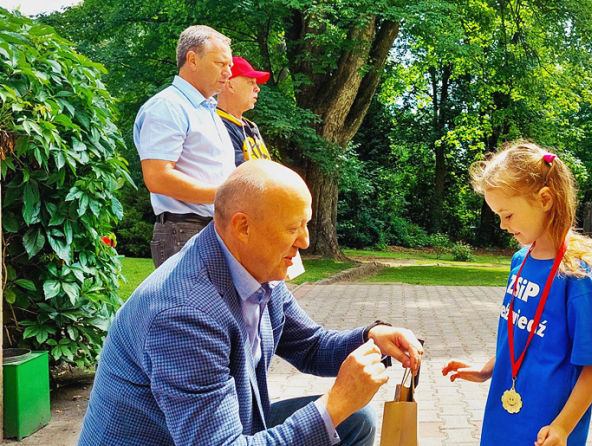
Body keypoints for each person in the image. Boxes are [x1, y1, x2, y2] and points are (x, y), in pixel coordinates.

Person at [79, 159, 424, 446]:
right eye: (293, 228)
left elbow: (309, 346)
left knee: (354, 421)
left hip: (215, 430)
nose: (304, 241)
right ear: (242, 227)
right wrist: (336, 402)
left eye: (306, 225)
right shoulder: (183, 313)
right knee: (339, 415)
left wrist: (373, 338)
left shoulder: (253, 267)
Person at [441, 142, 592, 446]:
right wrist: (487, 369)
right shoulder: (520, 261)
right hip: (502, 417)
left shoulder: (578, 277)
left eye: (507, 215)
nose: (503, 225)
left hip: (547, 427)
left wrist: (562, 427)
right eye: (498, 216)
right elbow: (523, 333)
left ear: (545, 199)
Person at [134, 25, 236, 268]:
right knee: (189, 308)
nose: (228, 72)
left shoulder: (207, 109)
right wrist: (229, 196)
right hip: (185, 231)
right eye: (221, 63)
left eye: (229, 65)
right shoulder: (167, 107)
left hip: (211, 228)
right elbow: (158, 177)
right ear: (192, 59)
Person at [216, 57, 273, 166]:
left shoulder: (251, 126)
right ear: (230, 86)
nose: (257, 88)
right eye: (251, 82)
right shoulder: (217, 124)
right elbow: (239, 175)